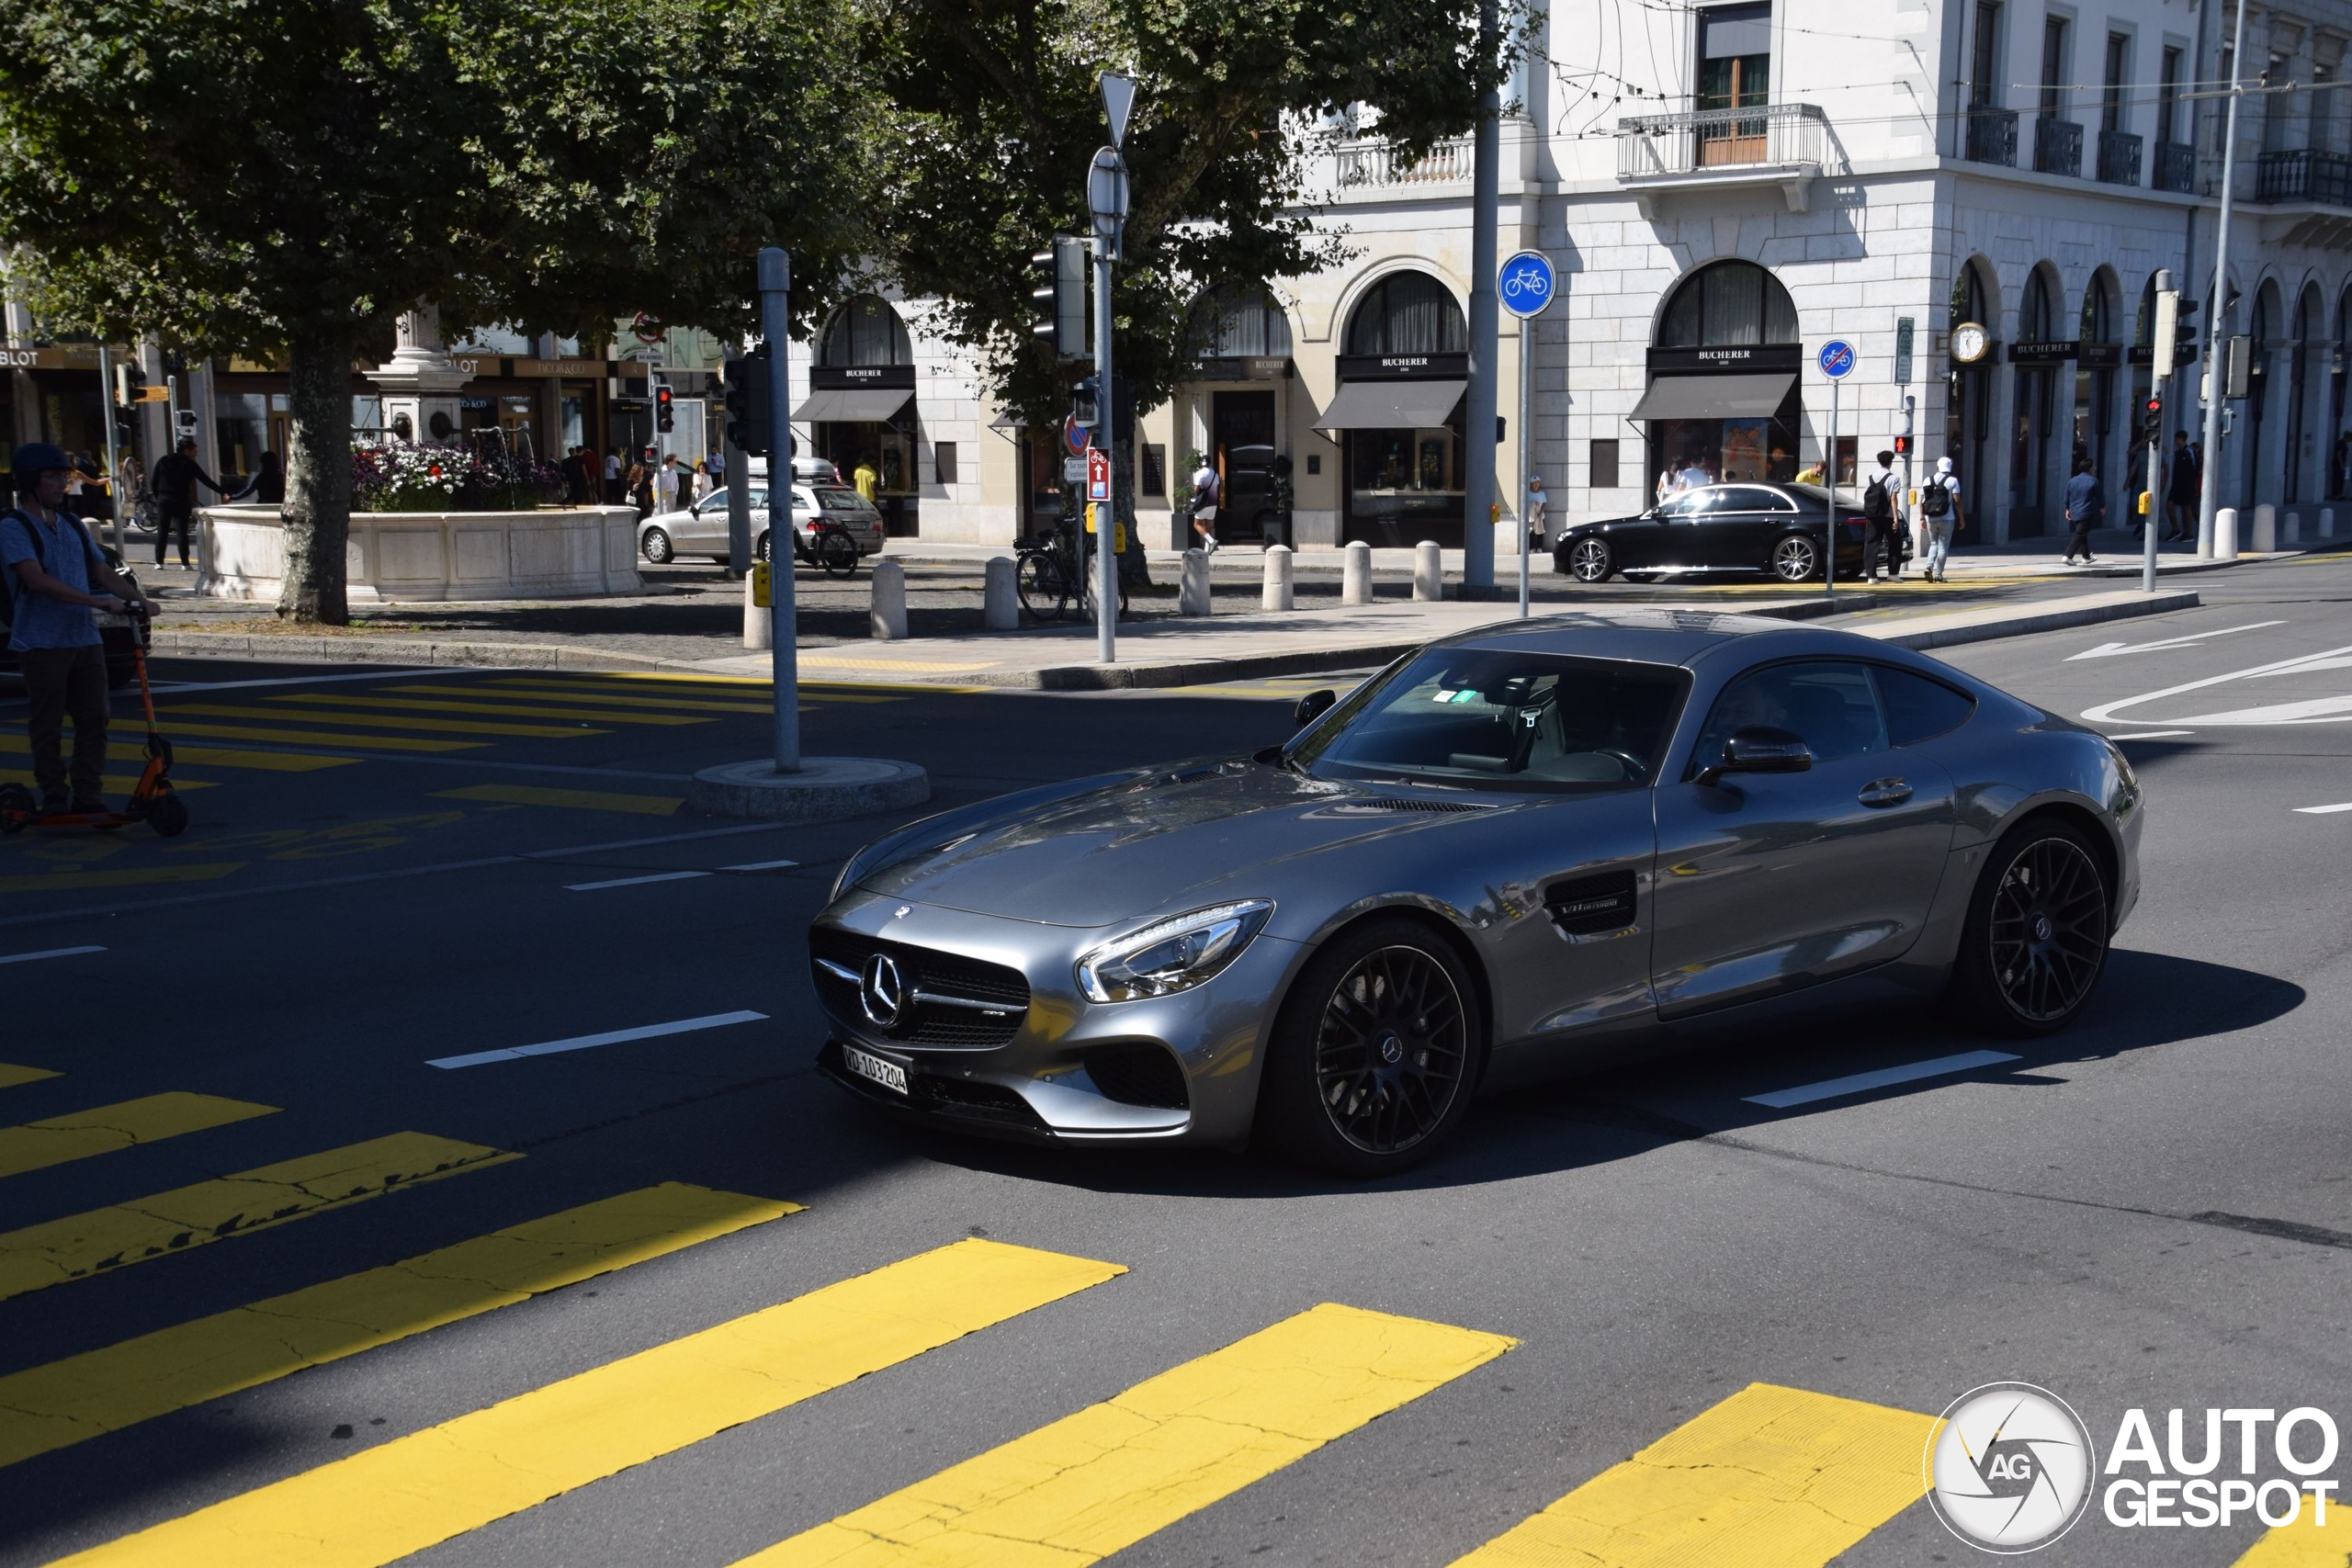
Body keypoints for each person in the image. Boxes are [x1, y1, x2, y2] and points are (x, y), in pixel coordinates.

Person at [1, 445, 156, 816]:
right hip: (41, 642)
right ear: (30, 482)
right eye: (53, 478)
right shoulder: (14, 527)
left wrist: (139, 600)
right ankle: (54, 793)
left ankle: (88, 794)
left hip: (84, 639)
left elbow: (102, 571)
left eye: (64, 477)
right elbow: (36, 580)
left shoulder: (71, 524)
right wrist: (97, 603)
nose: (63, 485)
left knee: (95, 719)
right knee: (48, 724)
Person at [150, 436, 225, 569]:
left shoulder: (163, 461)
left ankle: (159, 562)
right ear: (186, 450)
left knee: (162, 530)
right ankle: (185, 563)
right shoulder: (189, 463)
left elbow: (154, 481)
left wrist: (158, 496)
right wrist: (222, 492)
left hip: (164, 498)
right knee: (182, 532)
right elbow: (205, 480)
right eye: (193, 452)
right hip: (181, 499)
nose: (195, 454)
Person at [1918, 456, 1962, 582]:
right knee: (1943, 547)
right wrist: (1962, 518)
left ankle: (1928, 567)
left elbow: (1921, 502)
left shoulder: (1927, 480)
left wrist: (1922, 518)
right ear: (1950, 467)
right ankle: (1938, 575)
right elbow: (1957, 500)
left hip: (1930, 518)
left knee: (1933, 544)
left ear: (1937, 467)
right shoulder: (1952, 481)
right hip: (1947, 518)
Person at [1861, 449, 1901, 583]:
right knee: (1895, 543)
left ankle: (1871, 576)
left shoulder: (1870, 478)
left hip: (1872, 515)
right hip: (1888, 515)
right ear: (1890, 462)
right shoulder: (1894, 478)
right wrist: (1896, 517)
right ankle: (1893, 573)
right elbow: (1893, 498)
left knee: (1871, 544)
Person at [2063, 456, 2103, 565]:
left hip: (2075, 511)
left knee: (2082, 533)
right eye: (2093, 467)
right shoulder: (2093, 481)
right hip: (2086, 511)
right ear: (2089, 469)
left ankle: (2086, 557)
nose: (2094, 468)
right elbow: (2100, 497)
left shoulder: (2072, 481)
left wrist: (2067, 509)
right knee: (2080, 534)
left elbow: (2067, 497)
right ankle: (2067, 556)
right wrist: (2102, 507)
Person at [2165, 431, 2199, 542]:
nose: (2175, 441)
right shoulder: (2177, 453)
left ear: (2181, 439)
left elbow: (2196, 466)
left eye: (2177, 439)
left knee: (2186, 508)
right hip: (2176, 484)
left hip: (2187, 484)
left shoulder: (2190, 451)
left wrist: (2192, 481)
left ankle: (2188, 533)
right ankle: (2175, 529)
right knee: (2169, 505)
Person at [1188, 456, 1221, 551]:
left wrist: (1193, 492)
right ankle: (1207, 549)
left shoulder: (1199, 473)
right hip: (1213, 502)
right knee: (1208, 524)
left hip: (1203, 503)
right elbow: (1217, 487)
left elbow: (1197, 489)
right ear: (1210, 463)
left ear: (1201, 463)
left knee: (1197, 524)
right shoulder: (1215, 474)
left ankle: (1211, 541)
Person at [1525, 473, 1548, 552]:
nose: (1536, 485)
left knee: (1541, 531)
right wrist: (1533, 504)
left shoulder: (1542, 493)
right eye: (1534, 483)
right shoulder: (1528, 493)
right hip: (1531, 516)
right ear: (1531, 484)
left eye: (1537, 483)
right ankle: (1532, 548)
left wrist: (1541, 512)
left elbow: (1545, 503)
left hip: (1540, 516)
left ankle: (1539, 547)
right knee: (1532, 532)